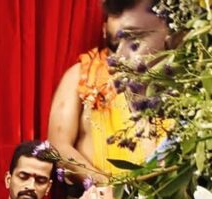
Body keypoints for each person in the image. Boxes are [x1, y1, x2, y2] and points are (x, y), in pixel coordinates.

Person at [47, 0, 172, 178]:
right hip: (99, 190)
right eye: (116, 14)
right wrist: (105, 185)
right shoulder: (82, 75)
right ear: (104, 28)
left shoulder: (175, 77)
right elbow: (58, 145)